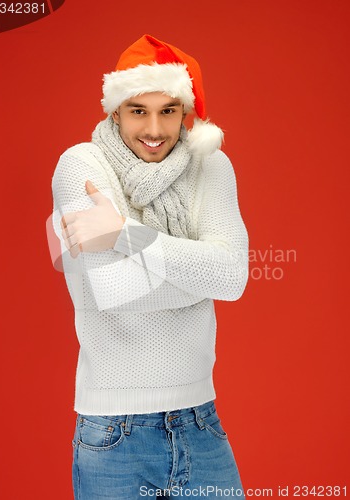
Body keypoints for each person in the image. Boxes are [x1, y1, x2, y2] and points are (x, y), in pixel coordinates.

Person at [50, 34, 249, 499]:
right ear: (114, 111)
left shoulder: (211, 165)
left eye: (169, 111)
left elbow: (233, 276)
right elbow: (111, 288)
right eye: (139, 110)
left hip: (201, 421)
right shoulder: (80, 164)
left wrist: (124, 234)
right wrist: (201, 270)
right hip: (112, 432)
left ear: (187, 114)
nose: (154, 128)